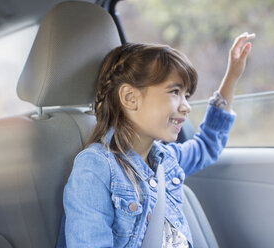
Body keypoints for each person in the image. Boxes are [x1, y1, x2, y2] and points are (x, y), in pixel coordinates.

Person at [59, 32, 255, 247]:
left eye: (187, 95)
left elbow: (207, 146)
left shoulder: (167, 159)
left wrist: (232, 76)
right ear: (130, 98)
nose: (186, 106)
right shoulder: (95, 167)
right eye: (175, 91)